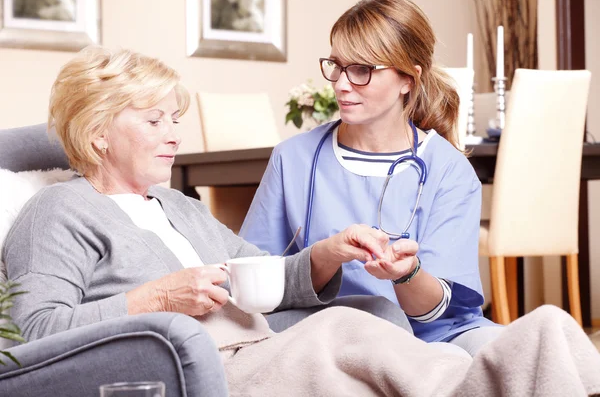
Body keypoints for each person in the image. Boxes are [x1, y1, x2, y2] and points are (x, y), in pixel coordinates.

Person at [4, 46, 600, 397]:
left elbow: (263, 275)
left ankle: (539, 359)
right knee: (340, 332)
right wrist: (156, 296)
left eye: (175, 118)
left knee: (543, 327)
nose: (174, 134)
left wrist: (326, 253)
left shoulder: (178, 208)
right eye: (154, 120)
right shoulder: (57, 211)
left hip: (262, 342)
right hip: (213, 365)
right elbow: (33, 335)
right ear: (99, 131)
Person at [241, 0, 502, 356]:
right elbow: (252, 284)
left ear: (408, 80)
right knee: (443, 367)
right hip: (334, 333)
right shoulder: (294, 159)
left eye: (362, 69)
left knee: (508, 353)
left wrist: (404, 274)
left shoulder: (448, 170)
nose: (342, 85)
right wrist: (326, 256)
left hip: (436, 334)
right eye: (336, 65)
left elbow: (438, 313)